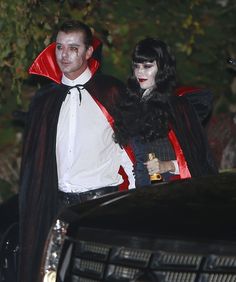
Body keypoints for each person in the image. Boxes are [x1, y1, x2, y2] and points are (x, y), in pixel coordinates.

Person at [19, 20, 135, 282]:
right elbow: (34, 167)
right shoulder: (45, 101)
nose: (64, 55)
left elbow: (131, 153)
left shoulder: (111, 92)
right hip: (58, 209)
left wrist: (138, 205)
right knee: (53, 276)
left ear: (88, 52)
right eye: (60, 47)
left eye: (73, 48)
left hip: (102, 206)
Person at [113, 37, 218, 187]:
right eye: (137, 66)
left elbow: (196, 157)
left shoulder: (176, 105)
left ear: (162, 68)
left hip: (167, 187)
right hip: (137, 186)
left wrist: (167, 165)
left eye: (147, 66)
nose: (140, 72)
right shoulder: (132, 101)